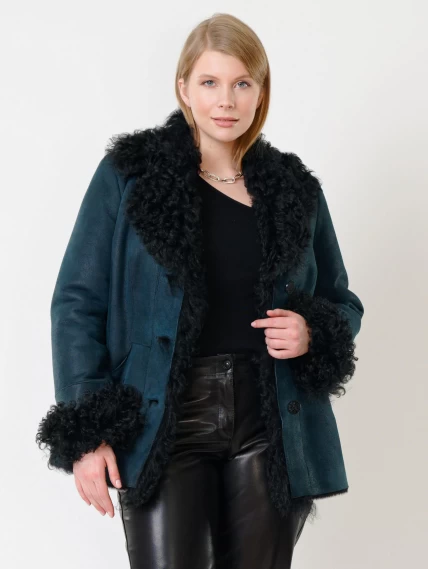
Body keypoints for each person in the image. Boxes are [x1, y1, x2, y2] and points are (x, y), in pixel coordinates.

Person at [35, 12, 364, 569]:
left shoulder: (294, 189)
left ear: (261, 92)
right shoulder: (130, 176)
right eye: (210, 82)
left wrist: (313, 332)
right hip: (163, 415)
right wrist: (87, 432)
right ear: (184, 87)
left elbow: (342, 300)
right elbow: (76, 303)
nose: (226, 101)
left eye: (242, 83)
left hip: (268, 420)